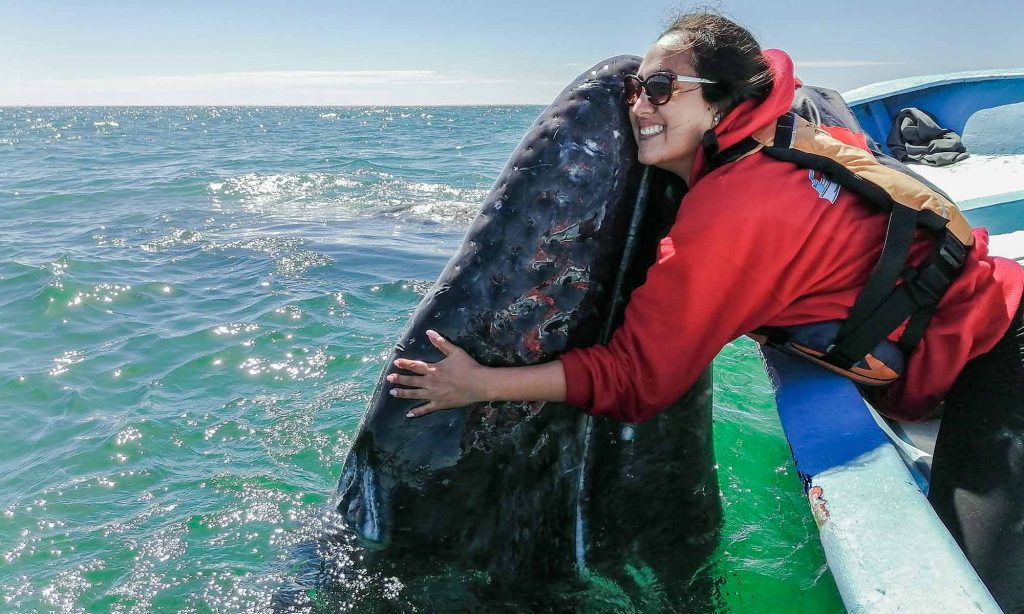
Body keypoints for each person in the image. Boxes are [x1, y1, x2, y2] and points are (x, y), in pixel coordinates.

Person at [384, 11, 1024, 610]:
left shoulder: (729, 215)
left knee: (982, 586)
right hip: (987, 322)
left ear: (721, 99)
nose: (637, 105)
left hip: (999, 358)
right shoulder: (786, 139)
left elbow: (637, 380)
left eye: (662, 88)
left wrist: (481, 385)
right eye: (637, 88)